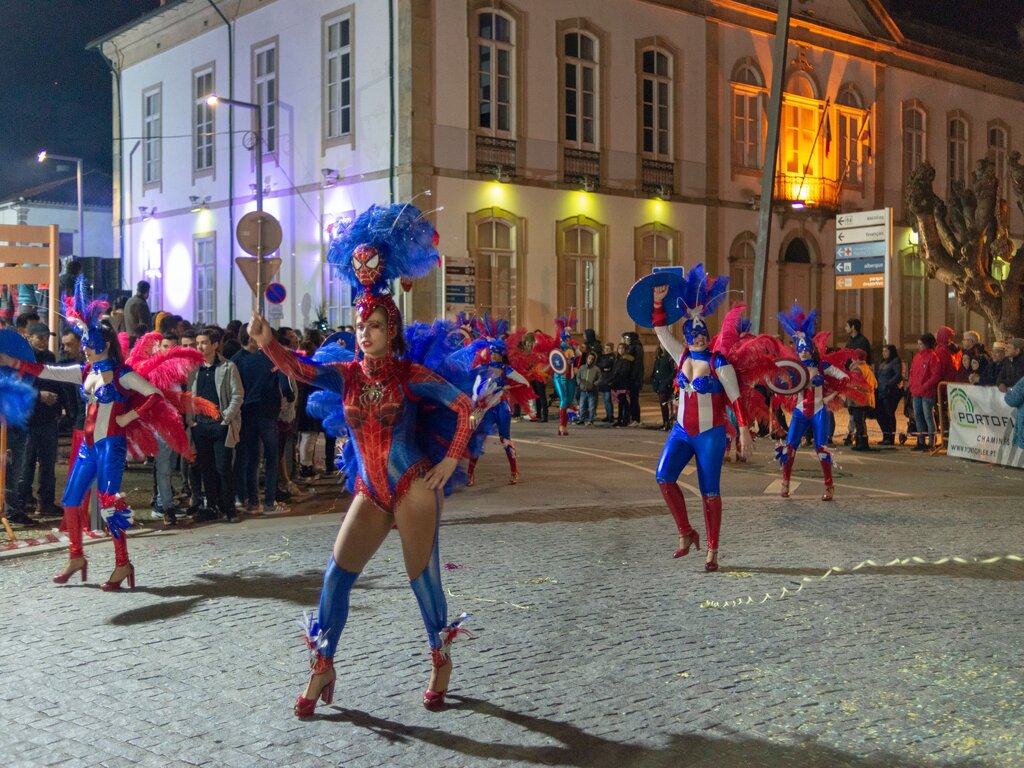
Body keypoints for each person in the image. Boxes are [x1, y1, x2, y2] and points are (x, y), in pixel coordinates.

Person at [249, 202, 475, 716]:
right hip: (370, 491)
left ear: (390, 329)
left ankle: (440, 659)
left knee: (424, 582)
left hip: (414, 486)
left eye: (374, 324)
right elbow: (303, 371)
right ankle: (323, 663)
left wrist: (448, 463)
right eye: (359, 325)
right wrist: (267, 344)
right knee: (335, 575)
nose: (364, 332)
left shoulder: (410, 377)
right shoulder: (347, 373)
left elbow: (463, 408)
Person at [0, 280, 204, 589]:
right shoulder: (84, 372)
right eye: (83, 342)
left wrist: (129, 415)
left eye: (88, 342)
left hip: (112, 445)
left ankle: (123, 564)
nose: (83, 346)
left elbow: (155, 396)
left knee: (110, 505)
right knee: (70, 501)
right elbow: (46, 372)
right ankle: (76, 556)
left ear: (104, 344)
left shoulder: (123, 374)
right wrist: (11, 361)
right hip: (89, 446)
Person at [646, 266, 751, 572]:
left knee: (710, 491)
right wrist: (657, 302)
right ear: (687, 336)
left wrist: (743, 431)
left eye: (702, 332)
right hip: (681, 431)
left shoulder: (720, 362)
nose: (698, 337)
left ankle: (712, 550)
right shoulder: (682, 356)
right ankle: (685, 532)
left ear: (708, 333)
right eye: (693, 333)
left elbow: (735, 397)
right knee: (664, 476)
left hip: (710, 434)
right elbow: (661, 332)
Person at [777, 305, 852, 501]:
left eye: (805, 348)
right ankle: (785, 483)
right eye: (799, 348)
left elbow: (844, 377)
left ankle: (829, 486)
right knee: (789, 447)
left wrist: (831, 396)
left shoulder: (822, 366)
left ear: (811, 348)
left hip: (819, 410)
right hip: (801, 411)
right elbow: (779, 382)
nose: (802, 352)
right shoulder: (794, 368)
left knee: (821, 448)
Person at [188, 327, 244, 523]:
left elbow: (237, 394)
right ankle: (211, 505)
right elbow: (188, 396)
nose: (200, 347)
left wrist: (226, 417)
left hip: (220, 424)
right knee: (206, 468)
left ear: (214, 345)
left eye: (204, 342)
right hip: (200, 425)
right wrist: (191, 421)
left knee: (223, 467)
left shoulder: (228, 367)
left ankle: (229, 508)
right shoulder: (194, 369)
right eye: (198, 343)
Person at [18, 323, 65, 518]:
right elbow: (19, 387)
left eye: (46, 337)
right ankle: (22, 502)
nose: (45, 341)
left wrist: (57, 406)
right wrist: (40, 395)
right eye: (40, 337)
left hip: (47, 419)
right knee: (26, 464)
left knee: (48, 463)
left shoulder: (50, 358)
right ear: (29, 337)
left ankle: (46, 502)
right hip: (29, 419)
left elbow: (57, 383)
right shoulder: (22, 359)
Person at [908, 332, 942, 451]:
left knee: (928, 416)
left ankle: (931, 442)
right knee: (918, 416)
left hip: (926, 392)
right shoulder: (917, 357)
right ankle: (921, 440)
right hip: (916, 391)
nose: (919, 346)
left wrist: (925, 385)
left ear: (927, 344)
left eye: (921, 344)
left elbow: (935, 375)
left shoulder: (933, 357)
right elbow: (912, 372)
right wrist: (911, 384)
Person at [874, 344, 903, 445]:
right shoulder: (883, 363)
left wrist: (888, 385)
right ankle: (885, 435)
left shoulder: (895, 361)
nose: (884, 353)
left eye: (886, 351)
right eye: (883, 351)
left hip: (890, 393)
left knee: (889, 414)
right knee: (880, 414)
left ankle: (890, 438)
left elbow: (898, 375)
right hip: (880, 392)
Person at [650, 345, 676, 431]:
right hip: (659, 384)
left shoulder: (670, 358)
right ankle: (665, 422)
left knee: (664, 403)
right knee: (662, 405)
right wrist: (654, 381)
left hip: (666, 385)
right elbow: (655, 371)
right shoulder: (658, 357)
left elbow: (673, 371)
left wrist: (666, 381)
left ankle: (667, 423)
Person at [576, 350, 600, 426]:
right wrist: (580, 383)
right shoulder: (582, 367)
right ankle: (581, 419)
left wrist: (595, 384)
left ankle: (591, 420)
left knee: (591, 406)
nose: (590, 360)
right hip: (583, 390)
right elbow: (578, 376)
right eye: (589, 358)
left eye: (592, 359)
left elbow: (600, 378)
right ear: (587, 358)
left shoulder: (596, 369)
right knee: (582, 406)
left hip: (592, 391)